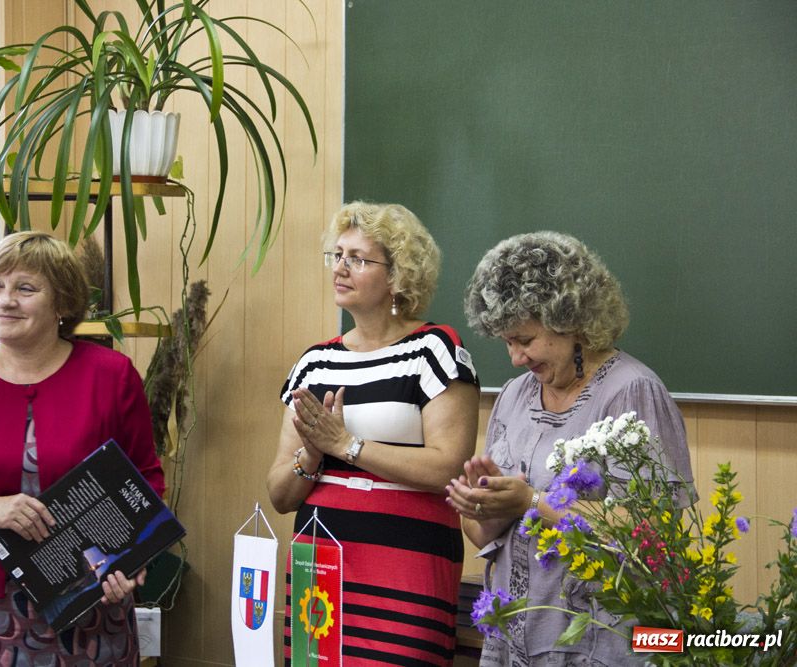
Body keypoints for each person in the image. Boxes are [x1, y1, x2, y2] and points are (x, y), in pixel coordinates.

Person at [0, 231, 164, 666]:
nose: (3, 300)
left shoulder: (111, 376)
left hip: (87, 610)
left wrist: (130, 561)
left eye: (25, 288)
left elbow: (145, 484)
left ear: (63, 303)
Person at [447, 231, 694, 666]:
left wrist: (532, 500)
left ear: (570, 320)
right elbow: (482, 536)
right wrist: (483, 507)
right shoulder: (514, 395)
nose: (515, 357)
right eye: (506, 342)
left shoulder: (631, 392)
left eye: (525, 339)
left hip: (600, 642)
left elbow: (653, 534)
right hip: (517, 638)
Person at [267, 202, 481, 666]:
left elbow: (449, 466)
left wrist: (346, 445)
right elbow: (280, 495)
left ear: (397, 276)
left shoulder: (433, 350)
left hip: (406, 564)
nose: (340, 268)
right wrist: (311, 454)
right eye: (336, 255)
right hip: (321, 560)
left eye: (358, 258)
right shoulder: (315, 363)